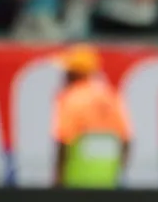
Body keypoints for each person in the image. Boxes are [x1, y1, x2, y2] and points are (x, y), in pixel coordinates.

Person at [52, 45, 132, 188]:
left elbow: (63, 141)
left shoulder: (71, 98)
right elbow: (126, 139)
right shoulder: (111, 96)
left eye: (67, 71)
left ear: (74, 73)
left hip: (75, 181)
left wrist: (58, 179)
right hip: (108, 181)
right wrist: (120, 172)